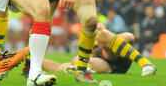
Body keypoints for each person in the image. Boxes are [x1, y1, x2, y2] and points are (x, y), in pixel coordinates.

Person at [26, 23, 156, 76]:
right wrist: (30, 56)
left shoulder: (112, 39)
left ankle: (145, 63)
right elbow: (58, 66)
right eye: (95, 31)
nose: (97, 33)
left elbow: (130, 36)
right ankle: (30, 58)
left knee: (78, 59)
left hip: (114, 56)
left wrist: (103, 36)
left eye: (99, 30)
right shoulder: (92, 46)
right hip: (106, 64)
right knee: (64, 66)